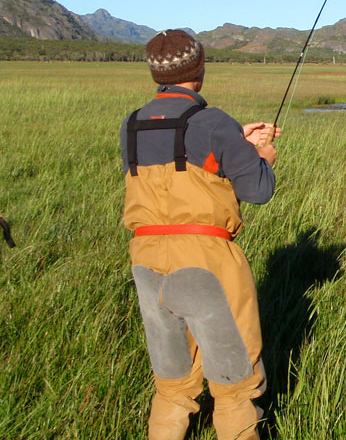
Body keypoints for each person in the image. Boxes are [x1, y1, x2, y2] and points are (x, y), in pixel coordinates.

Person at [120, 29, 279, 440]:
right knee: (235, 387)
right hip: (207, 262)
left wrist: (235, 144)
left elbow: (180, 156)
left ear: (157, 73)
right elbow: (258, 190)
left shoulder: (132, 125)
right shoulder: (214, 123)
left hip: (147, 262)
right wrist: (260, 156)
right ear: (199, 69)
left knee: (173, 388)